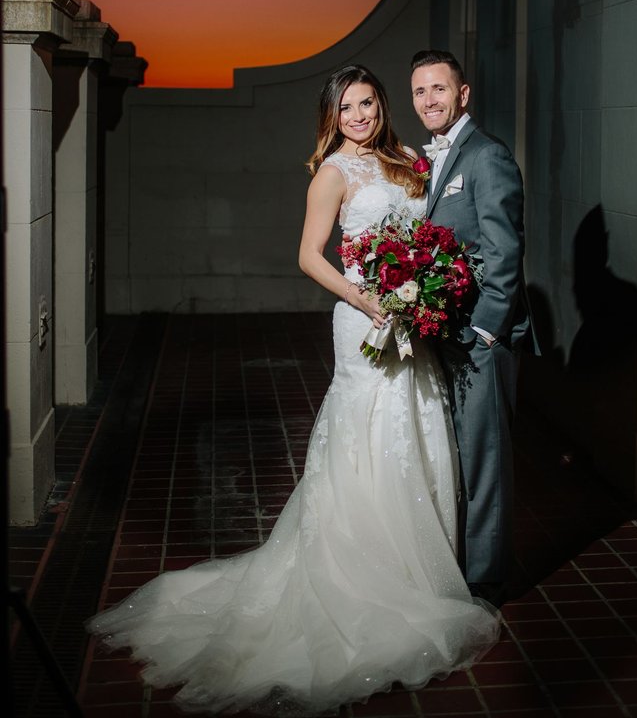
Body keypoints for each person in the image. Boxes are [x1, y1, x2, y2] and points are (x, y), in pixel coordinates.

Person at [85, 64, 499, 717]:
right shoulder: (332, 172)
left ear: (382, 105)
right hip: (364, 320)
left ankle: (419, 570)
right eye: (347, 107)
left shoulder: (404, 159)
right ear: (332, 115)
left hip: (409, 318)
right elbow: (309, 255)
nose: (360, 116)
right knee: (367, 435)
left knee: (414, 425)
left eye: (368, 103)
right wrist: (366, 300)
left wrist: (421, 288)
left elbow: (428, 236)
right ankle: (361, 575)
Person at [411, 49, 533, 608]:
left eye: (439, 89)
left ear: (463, 94)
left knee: (484, 458)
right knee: (455, 450)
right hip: (444, 332)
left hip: (481, 337)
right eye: (419, 91)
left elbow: (505, 251)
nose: (428, 100)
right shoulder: (430, 160)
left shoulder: (488, 156)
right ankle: (460, 560)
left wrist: (486, 330)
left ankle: (485, 579)